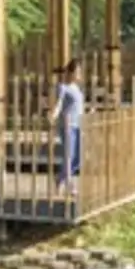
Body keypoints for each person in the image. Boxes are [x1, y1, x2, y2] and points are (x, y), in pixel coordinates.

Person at [50, 60, 85, 194]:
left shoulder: (77, 88)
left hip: (78, 125)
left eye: (80, 72)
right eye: (77, 72)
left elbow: (79, 107)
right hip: (67, 125)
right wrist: (54, 114)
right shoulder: (63, 87)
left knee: (78, 158)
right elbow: (59, 103)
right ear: (70, 73)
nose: (79, 74)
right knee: (69, 155)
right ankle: (70, 184)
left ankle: (60, 178)